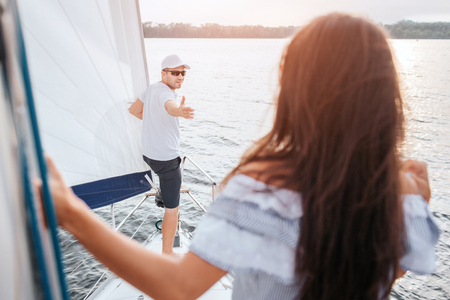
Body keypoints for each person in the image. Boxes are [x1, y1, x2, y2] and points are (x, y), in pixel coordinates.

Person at [48, 13, 439, 300]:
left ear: (294, 88)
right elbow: (391, 273)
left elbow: (179, 287)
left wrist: (71, 212)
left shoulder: (261, 187)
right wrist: (410, 203)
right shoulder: (405, 192)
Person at [129, 54, 194, 256]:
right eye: (175, 73)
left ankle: (164, 190)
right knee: (172, 209)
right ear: (163, 73)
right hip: (166, 161)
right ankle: (168, 253)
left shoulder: (152, 89)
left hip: (150, 156)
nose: (180, 77)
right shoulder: (166, 94)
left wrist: (152, 119)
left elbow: (134, 110)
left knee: (168, 184)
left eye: (183, 73)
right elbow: (170, 107)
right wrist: (179, 111)